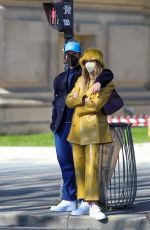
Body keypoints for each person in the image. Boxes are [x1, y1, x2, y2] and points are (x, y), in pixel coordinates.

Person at [50, 41, 114, 212]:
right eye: (67, 53)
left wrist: (86, 92)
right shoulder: (60, 78)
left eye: (73, 54)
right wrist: (53, 121)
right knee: (66, 163)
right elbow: (62, 101)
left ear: (79, 56)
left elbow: (107, 73)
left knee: (85, 164)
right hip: (60, 125)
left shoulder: (87, 75)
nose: (69, 57)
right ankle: (69, 198)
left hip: (80, 125)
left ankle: (87, 201)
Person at [65, 48, 115, 220]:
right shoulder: (79, 80)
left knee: (91, 167)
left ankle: (93, 203)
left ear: (99, 63)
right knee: (79, 168)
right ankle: (84, 201)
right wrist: (83, 98)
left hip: (93, 130)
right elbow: (69, 100)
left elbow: (95, 105)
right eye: (86, 61)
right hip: (77, 130)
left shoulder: (107, 84)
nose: (89, 64)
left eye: (92, 61)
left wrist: (81, 99)